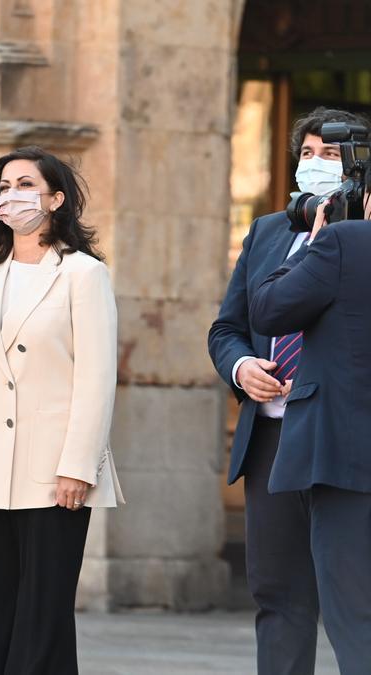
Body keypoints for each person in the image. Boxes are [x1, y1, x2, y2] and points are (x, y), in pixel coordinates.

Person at [0, 146, 123, 674]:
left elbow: (96, 378)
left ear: (56, 199)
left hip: (52, 473)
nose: (11, 196)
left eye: (24, 185)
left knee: (42, 618)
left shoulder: (83, 274)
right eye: (4, 186)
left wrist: (77, 467)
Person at [208, 106, 369, 675]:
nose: (316, 164)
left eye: (331, 155)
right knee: (278, 595)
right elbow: (228, 326)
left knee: (354, 597)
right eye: (307, 153)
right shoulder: (269, 231)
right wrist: (241, 366)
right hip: (271, 436)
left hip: (339, 436)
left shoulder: (362, 240)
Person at [248, 184, 371, 673]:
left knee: (356, 616)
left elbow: (269, 308)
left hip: (347, 459)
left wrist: (315, 242)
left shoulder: (347, 242)